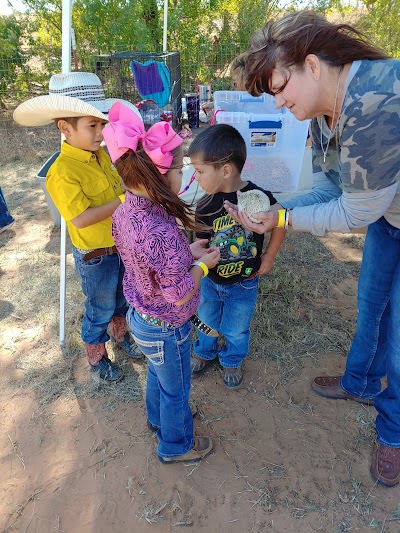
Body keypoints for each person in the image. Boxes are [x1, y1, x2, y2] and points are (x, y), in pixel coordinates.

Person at [224, 10, 400, 487]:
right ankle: (359, 382)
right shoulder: (326, 111)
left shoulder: (373, 102)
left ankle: (394, 434)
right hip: (391, 218)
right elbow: (330, 187)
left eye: (281, 88)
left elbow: (353, 213)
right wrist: (277, 206)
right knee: (373, 307)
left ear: (313, 65)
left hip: (380, 213)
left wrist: (281, 217)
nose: (280, 104)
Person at [102, 101, 220, 463]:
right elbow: (177, 290)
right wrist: (203, 267)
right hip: (169, 327)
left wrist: (189, 254)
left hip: (142, 319)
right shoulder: (163, 232)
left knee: (158, 372)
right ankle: (174, 445)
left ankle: (157, 419)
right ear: (160, 175)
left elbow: (144, 262)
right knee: (177, 389)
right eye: (182, 168)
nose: (184, 176)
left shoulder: (125, 210)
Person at [13, 72, 145, 382]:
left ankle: (121, 337)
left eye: (101, 124)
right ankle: (97, 357)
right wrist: (123, 201)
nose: (101, 132)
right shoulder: (62, 171)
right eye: (92, 125)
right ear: (64, 128)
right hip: (95, 255)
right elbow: (81, 219)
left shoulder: (101, 155)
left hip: (120, 245)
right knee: (99, 305)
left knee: (122, 297)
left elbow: (116, 186)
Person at [188, 124, 285, 389]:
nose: (195, 177)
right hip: (210, 280)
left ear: (226, 170)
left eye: (200, 171)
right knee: (206, 319)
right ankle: (204, 351)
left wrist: (270, 256)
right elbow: (200, 242)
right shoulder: (205, 204)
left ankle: (231, 360)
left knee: (236, 327)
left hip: (244, 282)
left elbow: (280, 222)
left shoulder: (258, 198)